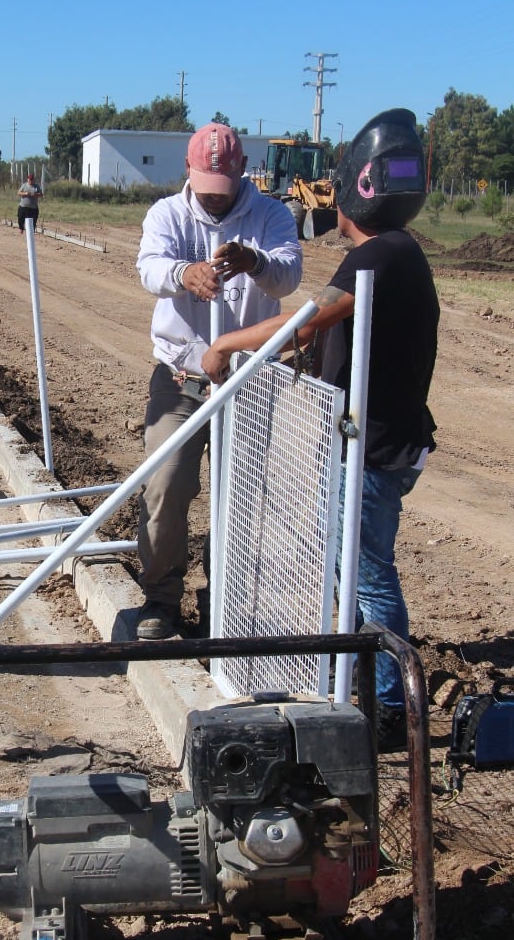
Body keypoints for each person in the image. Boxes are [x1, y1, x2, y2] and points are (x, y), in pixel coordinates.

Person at [201, 109, 438, 746]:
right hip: (387, 437)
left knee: (366, 572)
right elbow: (328, 333)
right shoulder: (400, 252)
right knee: (354, 567)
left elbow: (309, 319)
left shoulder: (380, 256)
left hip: (374, 446)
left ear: (355, 189)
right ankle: (369, 681)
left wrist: (226, 344)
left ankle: (390, 707)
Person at [134, 122, 303, 640]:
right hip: (181, 376)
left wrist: (253, 261)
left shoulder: (271, 214)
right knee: (165, 484)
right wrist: (184, 273)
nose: (213, 201)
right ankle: (160, 599)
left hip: (248, 381)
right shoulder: (167, 213)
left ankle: (225, 602)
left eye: (222, 191)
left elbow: (289, 277)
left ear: (240, 175)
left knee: (242, 496)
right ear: (189, 172)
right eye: (205, 190)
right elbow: (148, 267)